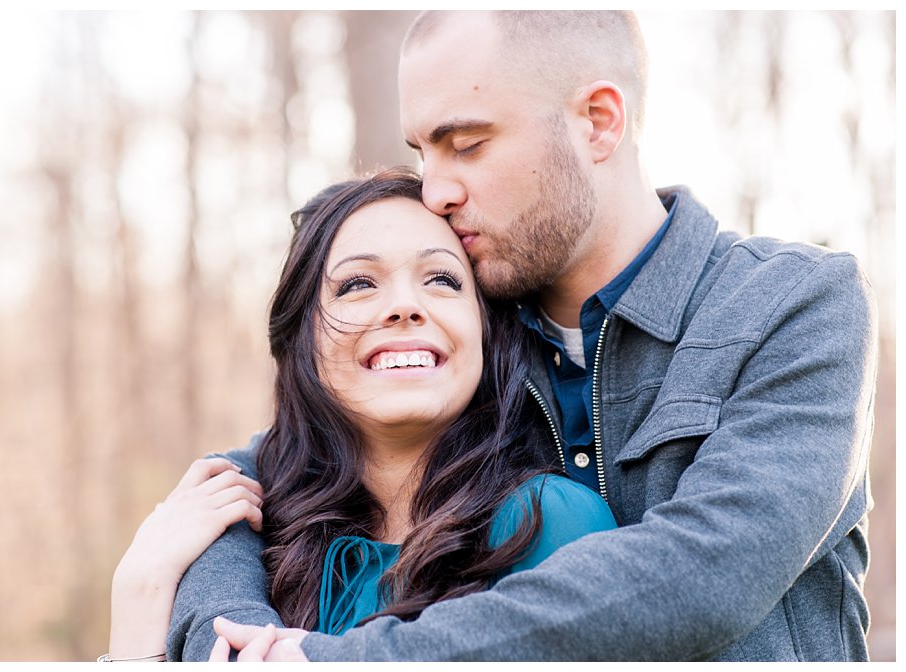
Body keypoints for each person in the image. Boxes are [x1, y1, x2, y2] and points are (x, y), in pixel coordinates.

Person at [174, 10, 878, 662]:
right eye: (424, 153)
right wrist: (239, 633)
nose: (435, 192)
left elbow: (710, 570)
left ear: (599, 122)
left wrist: (343, 659)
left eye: (467, 144)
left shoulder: (793, 305)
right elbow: (266, 476)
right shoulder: (470, 329)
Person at [103, 167, 616, 662]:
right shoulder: (249, 535)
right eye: (358, 284)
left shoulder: (552, 524)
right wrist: (139, 596)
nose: (404, 306)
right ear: (301, 338)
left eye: (441, 278)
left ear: (485, 331)